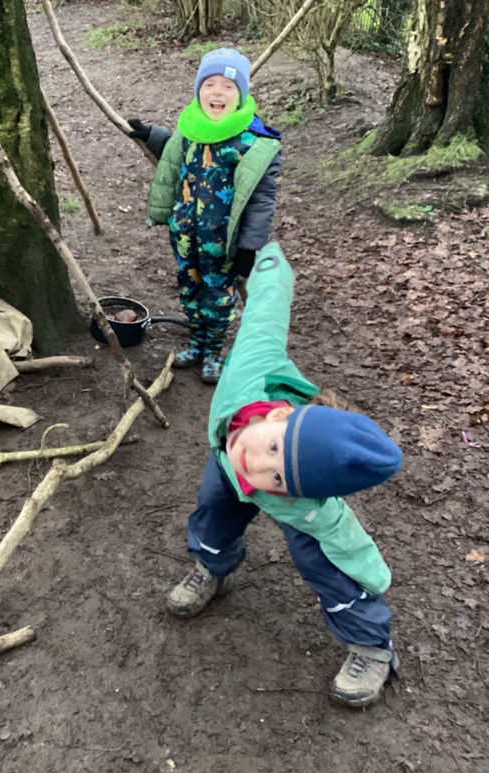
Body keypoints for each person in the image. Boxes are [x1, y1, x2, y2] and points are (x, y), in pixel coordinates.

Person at [166, 241, 404, 707]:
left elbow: (348, 543)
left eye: (276, 473)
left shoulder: (304, 500)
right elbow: (266, 313)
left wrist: (374, 577)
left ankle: (371, 647)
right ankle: (211, 567)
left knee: (325, 563)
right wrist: (265, 259)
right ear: (277, 419)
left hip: (288, 509)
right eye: (272, 449)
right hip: (222, 465)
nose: (258, 464)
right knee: (213, 511)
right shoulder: (253, 372)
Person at [128, 48, 282, 384]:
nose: (217, 92)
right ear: (199, 90)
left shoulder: (253, 143)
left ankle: (213, 352)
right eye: (210, 83)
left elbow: (262, 200)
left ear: (241, 95)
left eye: (228, 86)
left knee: (218, 298)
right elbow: (173, 151)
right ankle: (196, 343)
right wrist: (152, 136)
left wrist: (249, 247)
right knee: (189, 288)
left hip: (222, 242)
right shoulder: (190, 131)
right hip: (185, 234)